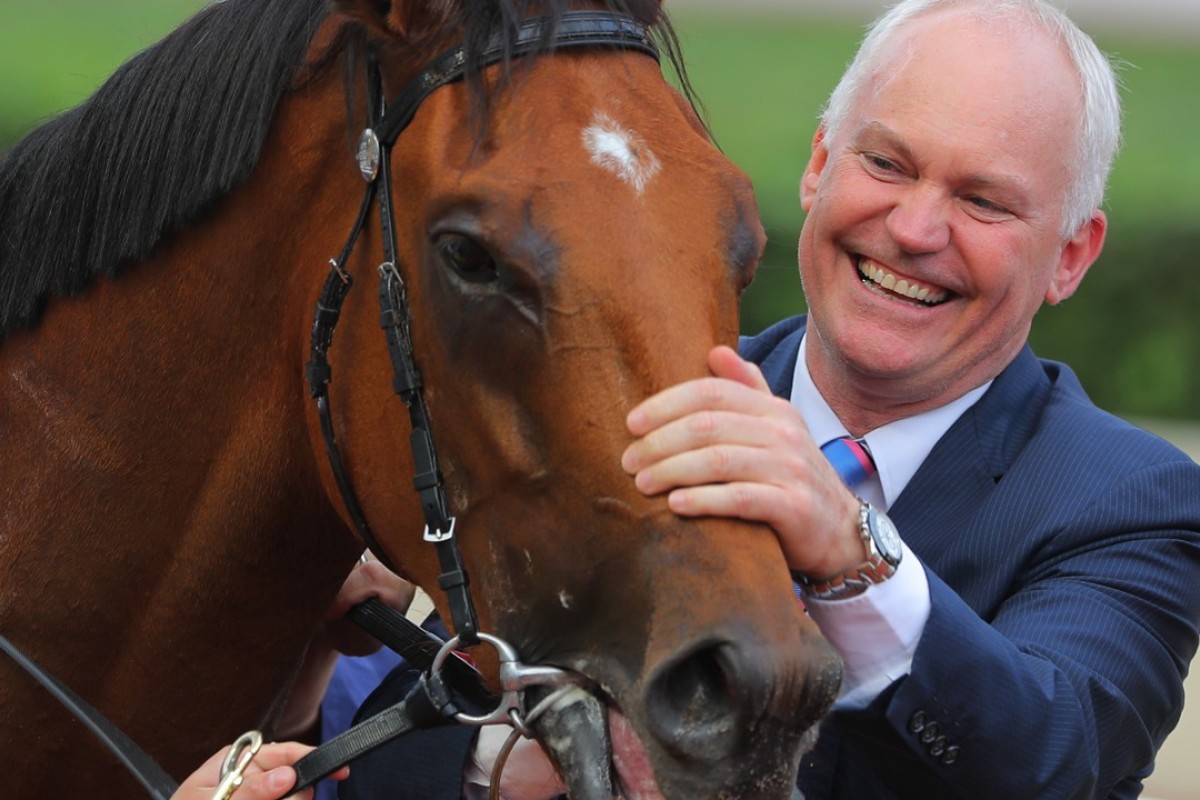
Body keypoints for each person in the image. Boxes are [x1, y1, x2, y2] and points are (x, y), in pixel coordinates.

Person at [337, 0, 1200, 797]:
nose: (913, 229)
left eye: (983, 201)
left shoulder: (1131, 500)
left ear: (1072, 257)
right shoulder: (636, 407)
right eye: (886, 163)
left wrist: (851, 550)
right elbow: (391, 745)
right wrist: (504, 766)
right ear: (820, 165)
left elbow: (1060, 761)